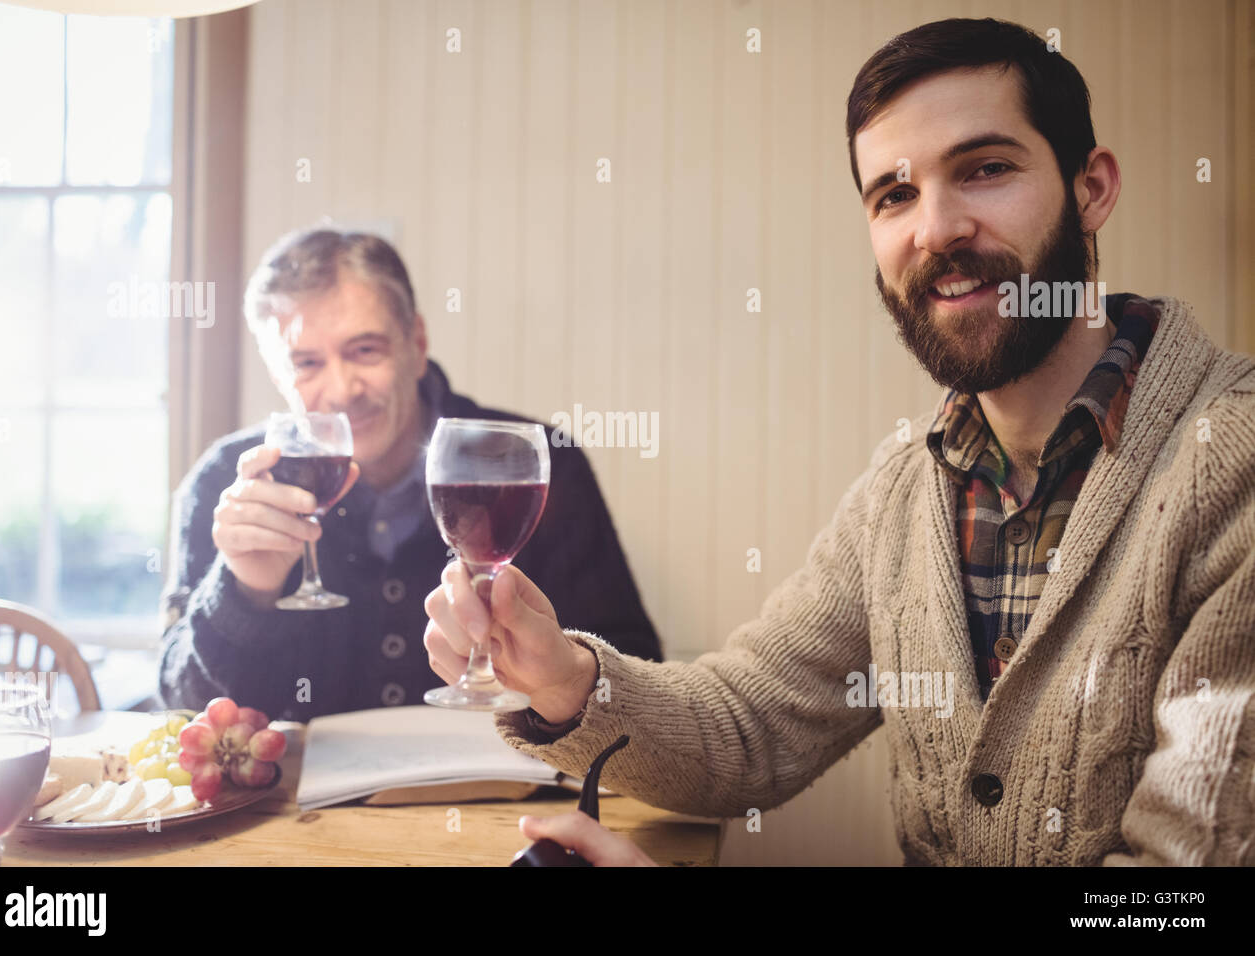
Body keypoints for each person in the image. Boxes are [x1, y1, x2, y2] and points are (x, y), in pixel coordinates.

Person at [424, 17, 1255, 865]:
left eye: (986, 170)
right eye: (894, 195)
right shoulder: (903, 493)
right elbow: (751, 724)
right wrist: (566, 678)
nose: (935, 230)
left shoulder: (1238, 462)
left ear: (1093, 189)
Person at [157, 228, 662, 720]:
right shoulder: (228, 481)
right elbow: (183, 708)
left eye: (365, 350)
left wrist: (555, 680)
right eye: (306, 362)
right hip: (303, 805)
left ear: (416, 344)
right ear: (276, 373)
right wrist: (245, 591)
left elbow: (635, 676)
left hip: (507, 798)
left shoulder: (531, 465)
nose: (342, 389)